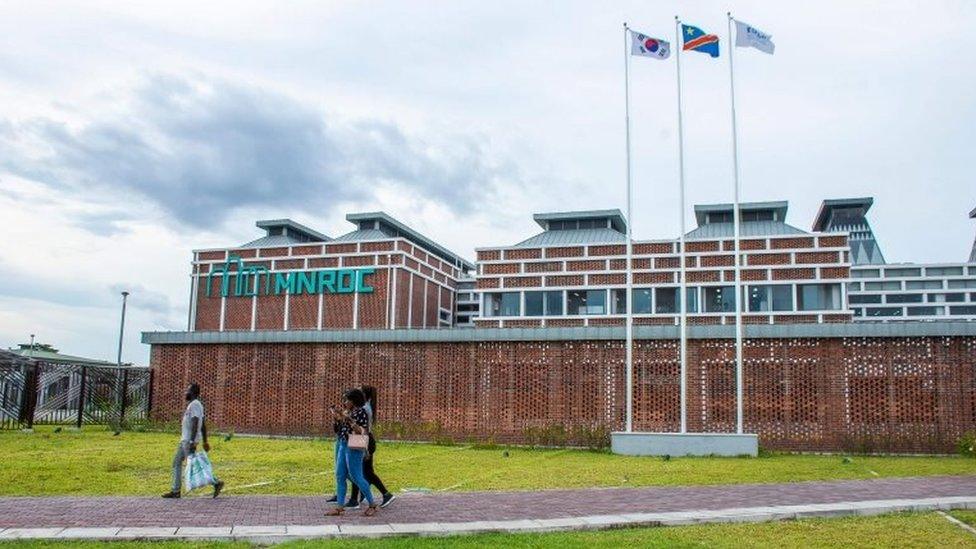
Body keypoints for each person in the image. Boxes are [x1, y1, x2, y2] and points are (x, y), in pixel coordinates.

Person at [162, 383, 224, 498]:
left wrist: (191, 442)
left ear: (193, 393)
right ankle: (176, 491)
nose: (186, 392)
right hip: (186, 441)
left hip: (188, 441)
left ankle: (216, 483)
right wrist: (205, 441)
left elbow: (196, 422)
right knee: (178, 462)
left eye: (188, 390)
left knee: (195, 465)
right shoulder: (196, 405)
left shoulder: (194, 404)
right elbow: (203, 424)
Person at [325, 388, 377, 516]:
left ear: (354, 401)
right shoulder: (348, 412)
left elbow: (362, 431)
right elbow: (338, 431)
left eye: (347, 400)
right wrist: (336, 418)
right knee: (340, 475)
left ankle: (372, 504)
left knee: (356, 476)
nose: (344, 402)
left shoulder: (361, 412)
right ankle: (340, 507)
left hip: (353, 446)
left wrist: (348, 419)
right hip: (343, 444)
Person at [347, 385, 395, 508]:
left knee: (363, 471)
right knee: (362, 471)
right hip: (366, 440)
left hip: (365, 440)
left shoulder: (364, 408)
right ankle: (359, 496)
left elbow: (364, 429)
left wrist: (366, 448)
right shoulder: (366, 407)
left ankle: (385, 494)